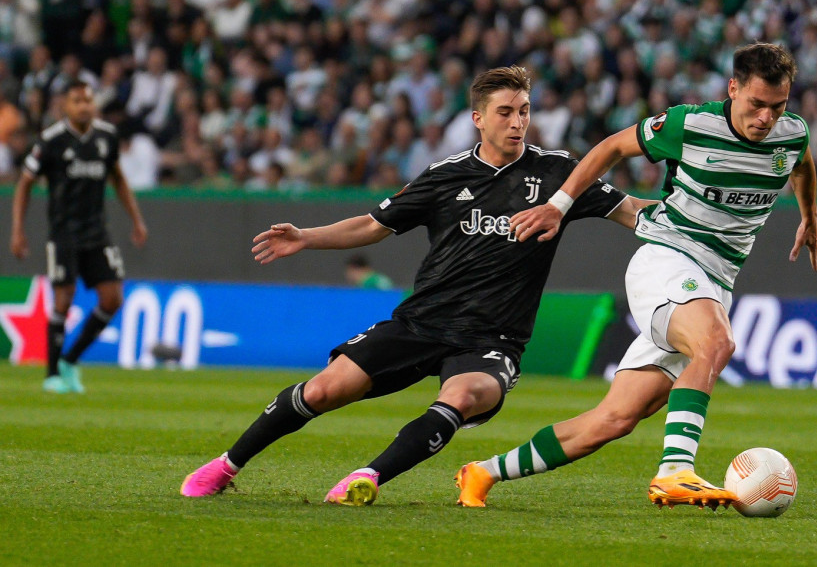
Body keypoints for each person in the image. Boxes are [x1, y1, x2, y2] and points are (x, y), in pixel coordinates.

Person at [180, 66, 652, 505]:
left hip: (493, 339)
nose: (517, 122)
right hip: (422, 322)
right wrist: (306, 237)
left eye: (524, 111)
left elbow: (631, 210)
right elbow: (373, 226)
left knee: (462, 398)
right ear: (478, 119)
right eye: (505, 112)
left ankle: (367, 477)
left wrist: (698, 215)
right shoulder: (445, 176)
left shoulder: (557, 173)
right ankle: (226, 465)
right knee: (324, 390)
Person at [456, 43, 817, 509]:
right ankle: (674, 471)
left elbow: (802, 163)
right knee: (716, 343)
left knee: (614, 419)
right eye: (756, 104)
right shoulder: (691, 124)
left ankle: (482, 473)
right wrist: (558, 205)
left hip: (715, 282)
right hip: (668, 259)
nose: (766, 118)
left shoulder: (791, 134)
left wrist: (809, 215)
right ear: (733, 89)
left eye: (778, 106)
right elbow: (610, 147)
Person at [10, 81, 148, 394]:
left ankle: (70, 360)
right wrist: (17, 229)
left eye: (88, 99)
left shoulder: (107, 136)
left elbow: (118, 179)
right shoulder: (51, 140)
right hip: (63, 234)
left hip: (97, 232)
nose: (84, 105)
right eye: (77, 100)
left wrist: (136, 220)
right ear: (66, 107)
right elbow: (25, 184)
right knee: (63, 300)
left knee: (113, 299)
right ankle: (51, 374)